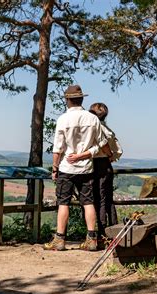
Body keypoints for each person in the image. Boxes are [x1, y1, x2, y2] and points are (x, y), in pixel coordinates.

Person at [43, 85, 111, 251]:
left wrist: (55, 168)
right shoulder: (92, 119)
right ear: (81, 99)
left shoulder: (63, 120)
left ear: (67, 100)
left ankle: (59, 240)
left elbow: (58, 149)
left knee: (63, 203)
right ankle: (92, 239)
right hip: (86, 169)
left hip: (67, 168)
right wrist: (88, 154)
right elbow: (102, 145)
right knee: (88, 202)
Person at [68, 103, 123, 239]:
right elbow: (118, 151)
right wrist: (110, 157)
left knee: (94, 199)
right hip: (105, 165)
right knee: (106, 199)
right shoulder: (107, 130)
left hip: (93, 164)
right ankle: (110, 230)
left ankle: (99, 232)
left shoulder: (93, 128)